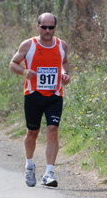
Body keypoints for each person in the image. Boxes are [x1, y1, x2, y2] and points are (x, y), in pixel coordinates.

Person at [9, 12, 70, 187]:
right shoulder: (29, 45)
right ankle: (29, 166)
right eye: (44, 27)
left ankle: (49, 173)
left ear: (55, 28)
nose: (47, 31)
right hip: (33, 95)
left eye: (51, 27)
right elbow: (13, 64)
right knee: (32, 133)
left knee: (52, 131)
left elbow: (64, 63)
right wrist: (24, 72)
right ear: (38, 27)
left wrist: (65, 74)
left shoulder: (62, 45)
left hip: (55, 95)